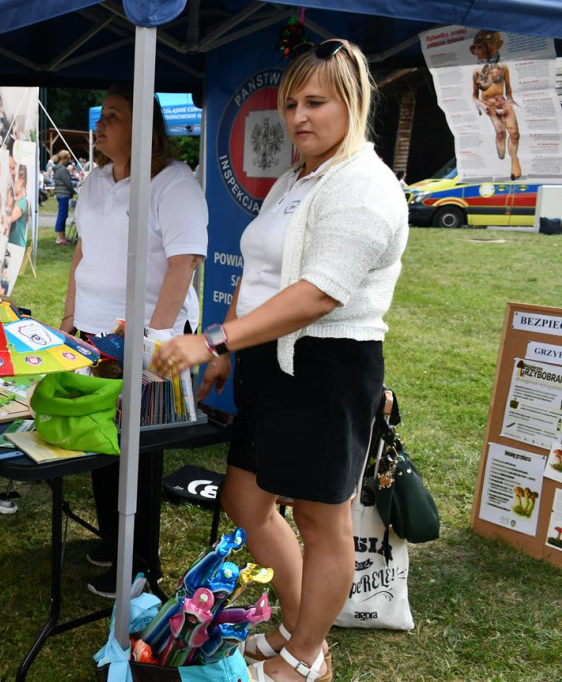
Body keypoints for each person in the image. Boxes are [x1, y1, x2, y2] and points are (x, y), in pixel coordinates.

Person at [154, 39, 408, 682]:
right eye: (290, 102)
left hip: (328, 368)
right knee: (247, 501)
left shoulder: (366, 185)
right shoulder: (295, 179)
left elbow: (317, 293)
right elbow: (258, 273)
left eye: (316, 101)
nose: (298, 116)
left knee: (323, 521)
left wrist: (212, 341)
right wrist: (227, 347)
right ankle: (299, 628)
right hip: (268, 362)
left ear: (352, 102)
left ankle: (305, 655)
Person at [60, 85, 208, 599]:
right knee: (101, 437)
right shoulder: (95, 181)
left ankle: (141, 563)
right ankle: (110, 540)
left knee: (139, 451)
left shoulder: (174, 183)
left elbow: (183, 263)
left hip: (147, 335)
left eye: (114, 117)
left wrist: (156, 340)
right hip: (95, 332)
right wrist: (70, 316)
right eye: (101, 116)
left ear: (143, 127)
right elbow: (82, 252)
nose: (101, 125)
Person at [470, 30, 522, 180]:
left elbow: (509, 89)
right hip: (489, 104)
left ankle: (514, 160)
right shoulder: (477, 72)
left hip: (503, 102)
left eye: (482, 47)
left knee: (515, 133)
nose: (479, 51)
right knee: (500, 132)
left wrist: (509, 100)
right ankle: (501, 156)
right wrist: (480, 103)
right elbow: (475, 94)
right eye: (477, 48)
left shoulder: (503, 68)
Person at [53, 149, 76, 244]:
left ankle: (62, 236)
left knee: (63, 215)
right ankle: (59, 237)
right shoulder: (62, 170)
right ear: (64, 159)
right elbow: (68, 183)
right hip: (63, 194)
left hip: (60, 194)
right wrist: (73, 191)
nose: (69, 161)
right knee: (62, 216)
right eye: (68, 159)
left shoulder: (58, 169)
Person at [4, 163, 29, 248]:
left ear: (21, 181)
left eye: (13, 180)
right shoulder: (15, 201)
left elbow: (9, 219)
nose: (10, 184)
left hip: (16, 247)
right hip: (9, 245)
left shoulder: (23, 202)